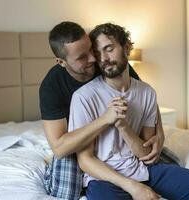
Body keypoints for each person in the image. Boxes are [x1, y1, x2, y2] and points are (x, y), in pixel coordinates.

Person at [69, 23, 189, 200]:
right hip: (104, 179)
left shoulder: (146, 92)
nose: (103, 58)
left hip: (144, 170)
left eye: (109, 48)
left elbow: (146, 154)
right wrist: (133, 187)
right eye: (97, 53)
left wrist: (123, 127)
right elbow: (85, 160)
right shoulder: (84, 97)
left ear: (126, 48)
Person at [39, 21, 165, 199]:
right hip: (75, 144)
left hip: (115, 142)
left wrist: (160, 133)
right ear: (61, 62)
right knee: (65, 190)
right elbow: (60, 147)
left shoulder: (106, 63)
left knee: (157, 156)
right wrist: (106, 119)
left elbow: (142, 95)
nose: (93, 59)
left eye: (91, 50)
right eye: (82, 57)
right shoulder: (52, 85)